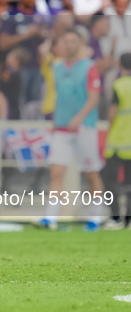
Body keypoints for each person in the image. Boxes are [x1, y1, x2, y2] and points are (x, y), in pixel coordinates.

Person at [39, 29, 104, 231]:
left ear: (80, 43)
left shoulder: (89, 67)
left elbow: (94, 96)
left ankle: (97, 216)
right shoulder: (57, 67)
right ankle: (50, 218)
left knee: (91, 172)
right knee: (56, 171)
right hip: (61, 127)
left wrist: (79, 117)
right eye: (65, 42)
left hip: (84, 127)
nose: (69, 45)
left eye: (72, 41)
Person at [101, 53, 131, 230]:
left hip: (118, 142)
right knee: (129, 183)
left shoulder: (119, 85)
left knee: (110, 180)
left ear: (120, 65)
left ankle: (115, 217)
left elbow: (112, 113)